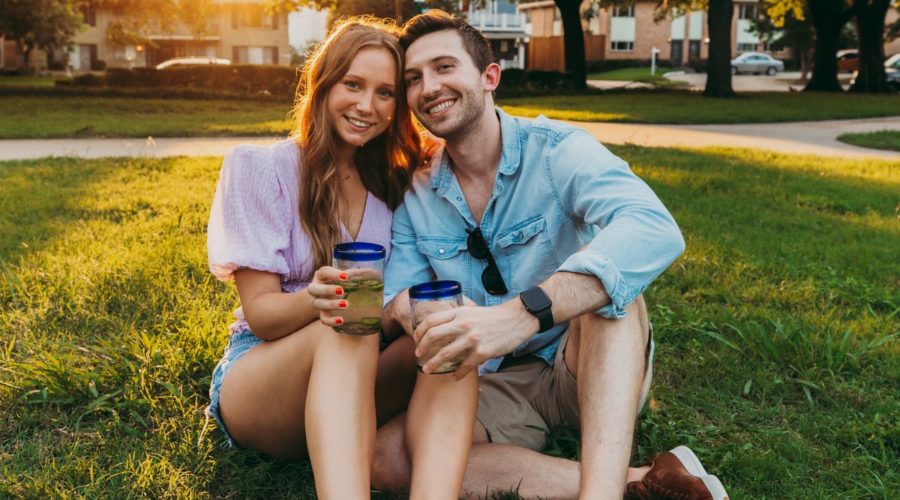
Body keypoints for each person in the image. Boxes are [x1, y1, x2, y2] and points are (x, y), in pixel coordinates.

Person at [371, 10, 729, 500]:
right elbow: (400, 296)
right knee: (389, 458)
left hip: (585, 365)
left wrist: (523, 314)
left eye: (444, 67)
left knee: (608, 291)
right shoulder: (417, 191)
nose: (428, 87)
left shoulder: (558, 150)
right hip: (495, 381)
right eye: (413, 78)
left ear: (489, 76)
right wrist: (426, 316)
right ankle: (646, 483)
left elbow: (653, 227)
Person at [205, 17, 477, 499]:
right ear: (323, 85)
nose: (366, 106)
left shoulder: (394, 185)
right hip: (263, 380)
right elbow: (262, 316)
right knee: (351, 316)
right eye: (353, 84)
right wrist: (321, 299)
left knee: (448, 334)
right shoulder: (262, 169)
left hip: (355, 376)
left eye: (385, 93)